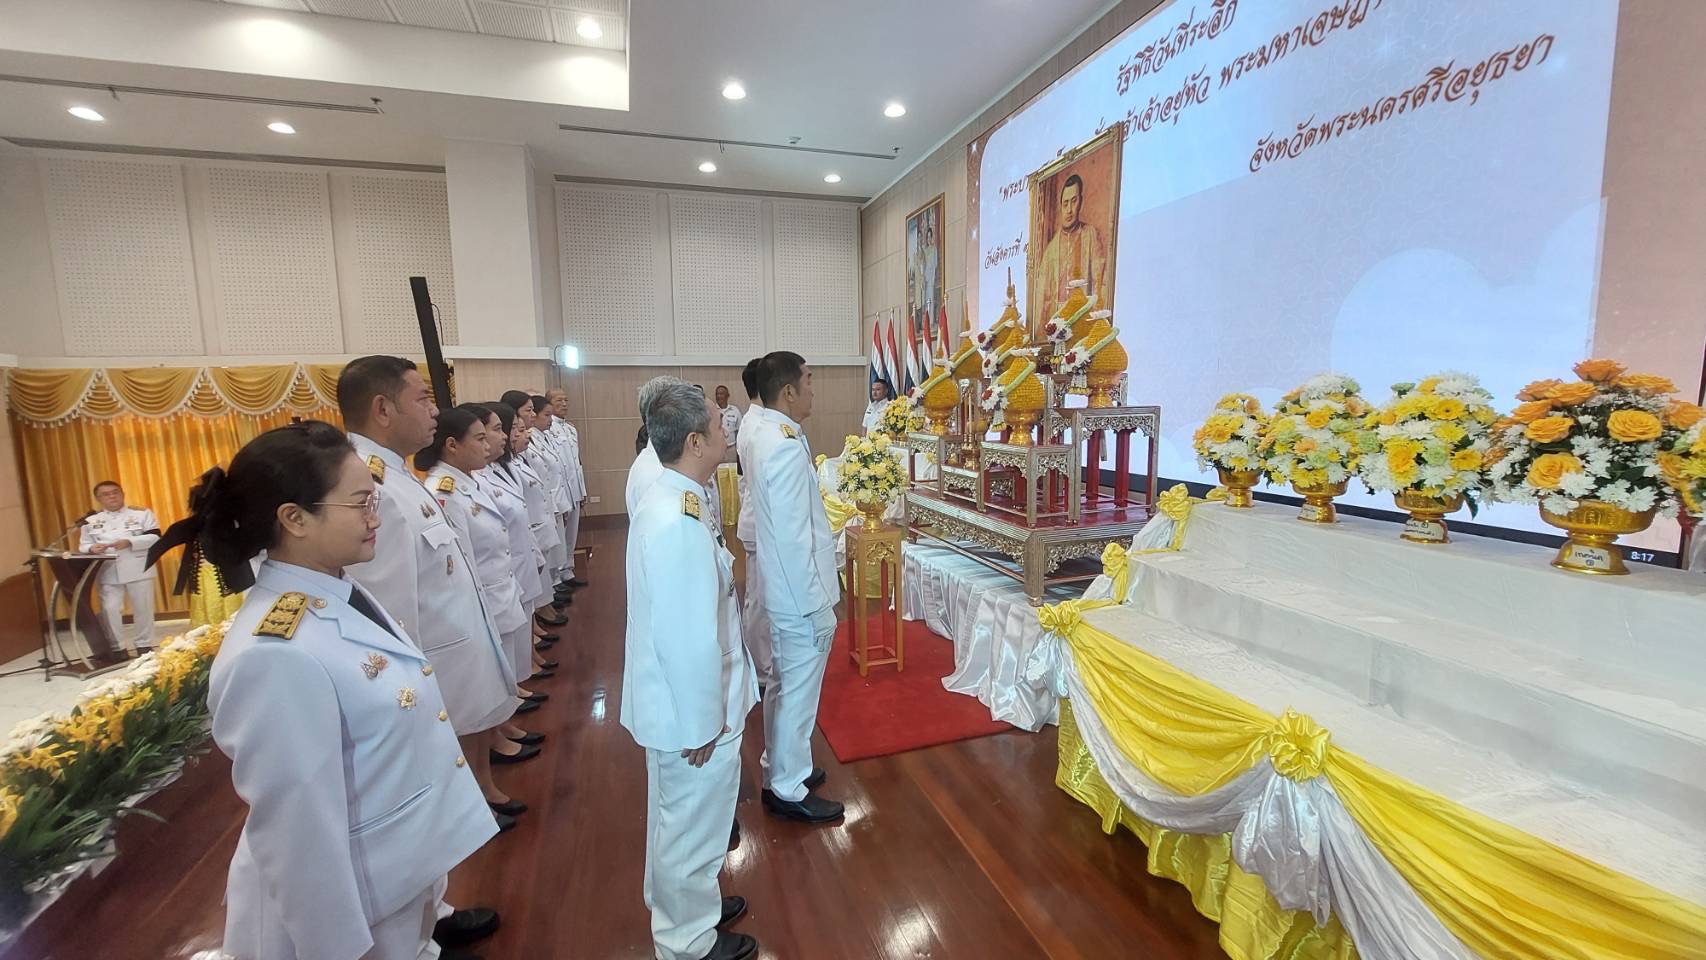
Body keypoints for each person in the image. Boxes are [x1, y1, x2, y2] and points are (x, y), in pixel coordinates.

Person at [151, 420, 497, 960]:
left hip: (396, 874)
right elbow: (297, 834)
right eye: (360, 503)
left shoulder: (336, 587)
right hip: (353, 910)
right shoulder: (274, 653)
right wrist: (338, 947)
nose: (375, 518)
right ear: (294, 519)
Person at [334, 356, 510, 951]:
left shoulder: (399, 476)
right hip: (409, 681)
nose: (435, 410)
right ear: (382, 409)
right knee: (409, 808)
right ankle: (415, 930)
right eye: (422, 399)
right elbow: (387, 619)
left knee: (427, 809)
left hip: (437, 663)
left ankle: (432, 910)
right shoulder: (370, 485)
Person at [623, 381, 759, 960]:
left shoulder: (682, 493)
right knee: (692, 828)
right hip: (695, 711)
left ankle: (683, 904)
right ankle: (686, 942)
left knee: (678, 820)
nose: (729, 426)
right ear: (696, 440)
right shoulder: (674, 518)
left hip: (688, 698)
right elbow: (685, 637)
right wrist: (704, 722)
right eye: (718, 422)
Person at [419, 408, 538, 817]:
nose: (489, 443)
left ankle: (488, 774)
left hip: (497, 593)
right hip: (478, 604)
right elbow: (461, 563)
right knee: (476, 706)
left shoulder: (470, 481)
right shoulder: (445, 491)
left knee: (492, 695)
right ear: (452, 446)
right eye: (479, 438)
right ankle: (480, 789)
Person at [748, 352, 841, 823]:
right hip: (798, 596)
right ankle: (787, 786)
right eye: (808, 381)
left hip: (779, 589)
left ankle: (781, 767)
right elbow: (792, 535)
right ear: (788, 391)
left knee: (784, 688)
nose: (812, 390)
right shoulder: (783, 444)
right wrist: (815, 605)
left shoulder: (759, 427)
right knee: (798, 696)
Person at [477, 402, 554, 718]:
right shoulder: (474, 478)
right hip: (498, 571)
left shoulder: (505, 466)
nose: (503, 437)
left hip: (517, 557)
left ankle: (519, 683)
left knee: (520, 625)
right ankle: (511, 699)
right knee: (506, 639)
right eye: (499, 430)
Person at [501, 392, 569, 631]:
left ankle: (544, 607)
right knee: (532, 577)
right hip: (529, 522)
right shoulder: (514, 453)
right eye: (528, 410)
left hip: (543, 512)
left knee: (544, 567)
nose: (531, 415)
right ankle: (540, 613)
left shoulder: (532, 441)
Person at [79, 481, 161, 656]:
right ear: (98, 499)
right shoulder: (91, 521)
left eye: (115, 492)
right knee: (110, 608)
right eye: (106, 494)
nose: (112, 496)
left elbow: (155, 536)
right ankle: (117, 647)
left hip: (138, 566)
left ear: (123, 493)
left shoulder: (141, 513)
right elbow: (84, 545)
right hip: (108, 569)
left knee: (143, 607)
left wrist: (130, 542)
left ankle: (144, 644)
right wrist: (92, 549)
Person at [734, 359, 772, 691]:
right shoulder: (758, 427)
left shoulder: (756, 422)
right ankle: (760, 668)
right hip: (759, 523)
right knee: (760, 600)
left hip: (758, 522)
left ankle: (762, 661)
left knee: (760, 598)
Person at [1036, 172, 1108, 322]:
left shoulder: (1090, 235)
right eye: (1065, 203)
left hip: (1085, 322)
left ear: (1080, 202)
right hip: (1058, 326)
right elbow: (1042, 300)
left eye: (1073, 201)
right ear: (1060, 207)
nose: (1069, 210)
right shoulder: (1051, 251)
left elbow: (1100, 282)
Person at [544, 388, 588, 588]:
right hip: (558, 489)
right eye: (558, 400)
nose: (564, 403)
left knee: (572, 530)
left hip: (573, 487)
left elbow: (576, 463)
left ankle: (568, 569)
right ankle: (556, 575)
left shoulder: (570, 429)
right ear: (549, 403)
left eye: (566, 399)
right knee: (559, 534)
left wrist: (582, 489)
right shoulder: (547, 429)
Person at [714, 385, 740, 463]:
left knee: (733, 472)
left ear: (727, 396)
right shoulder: (712, 410)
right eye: (717, 394)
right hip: (716, 449)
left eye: (721, 394)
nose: (719, 396)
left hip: (731, 448)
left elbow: (740, 431)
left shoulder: (735, 410)